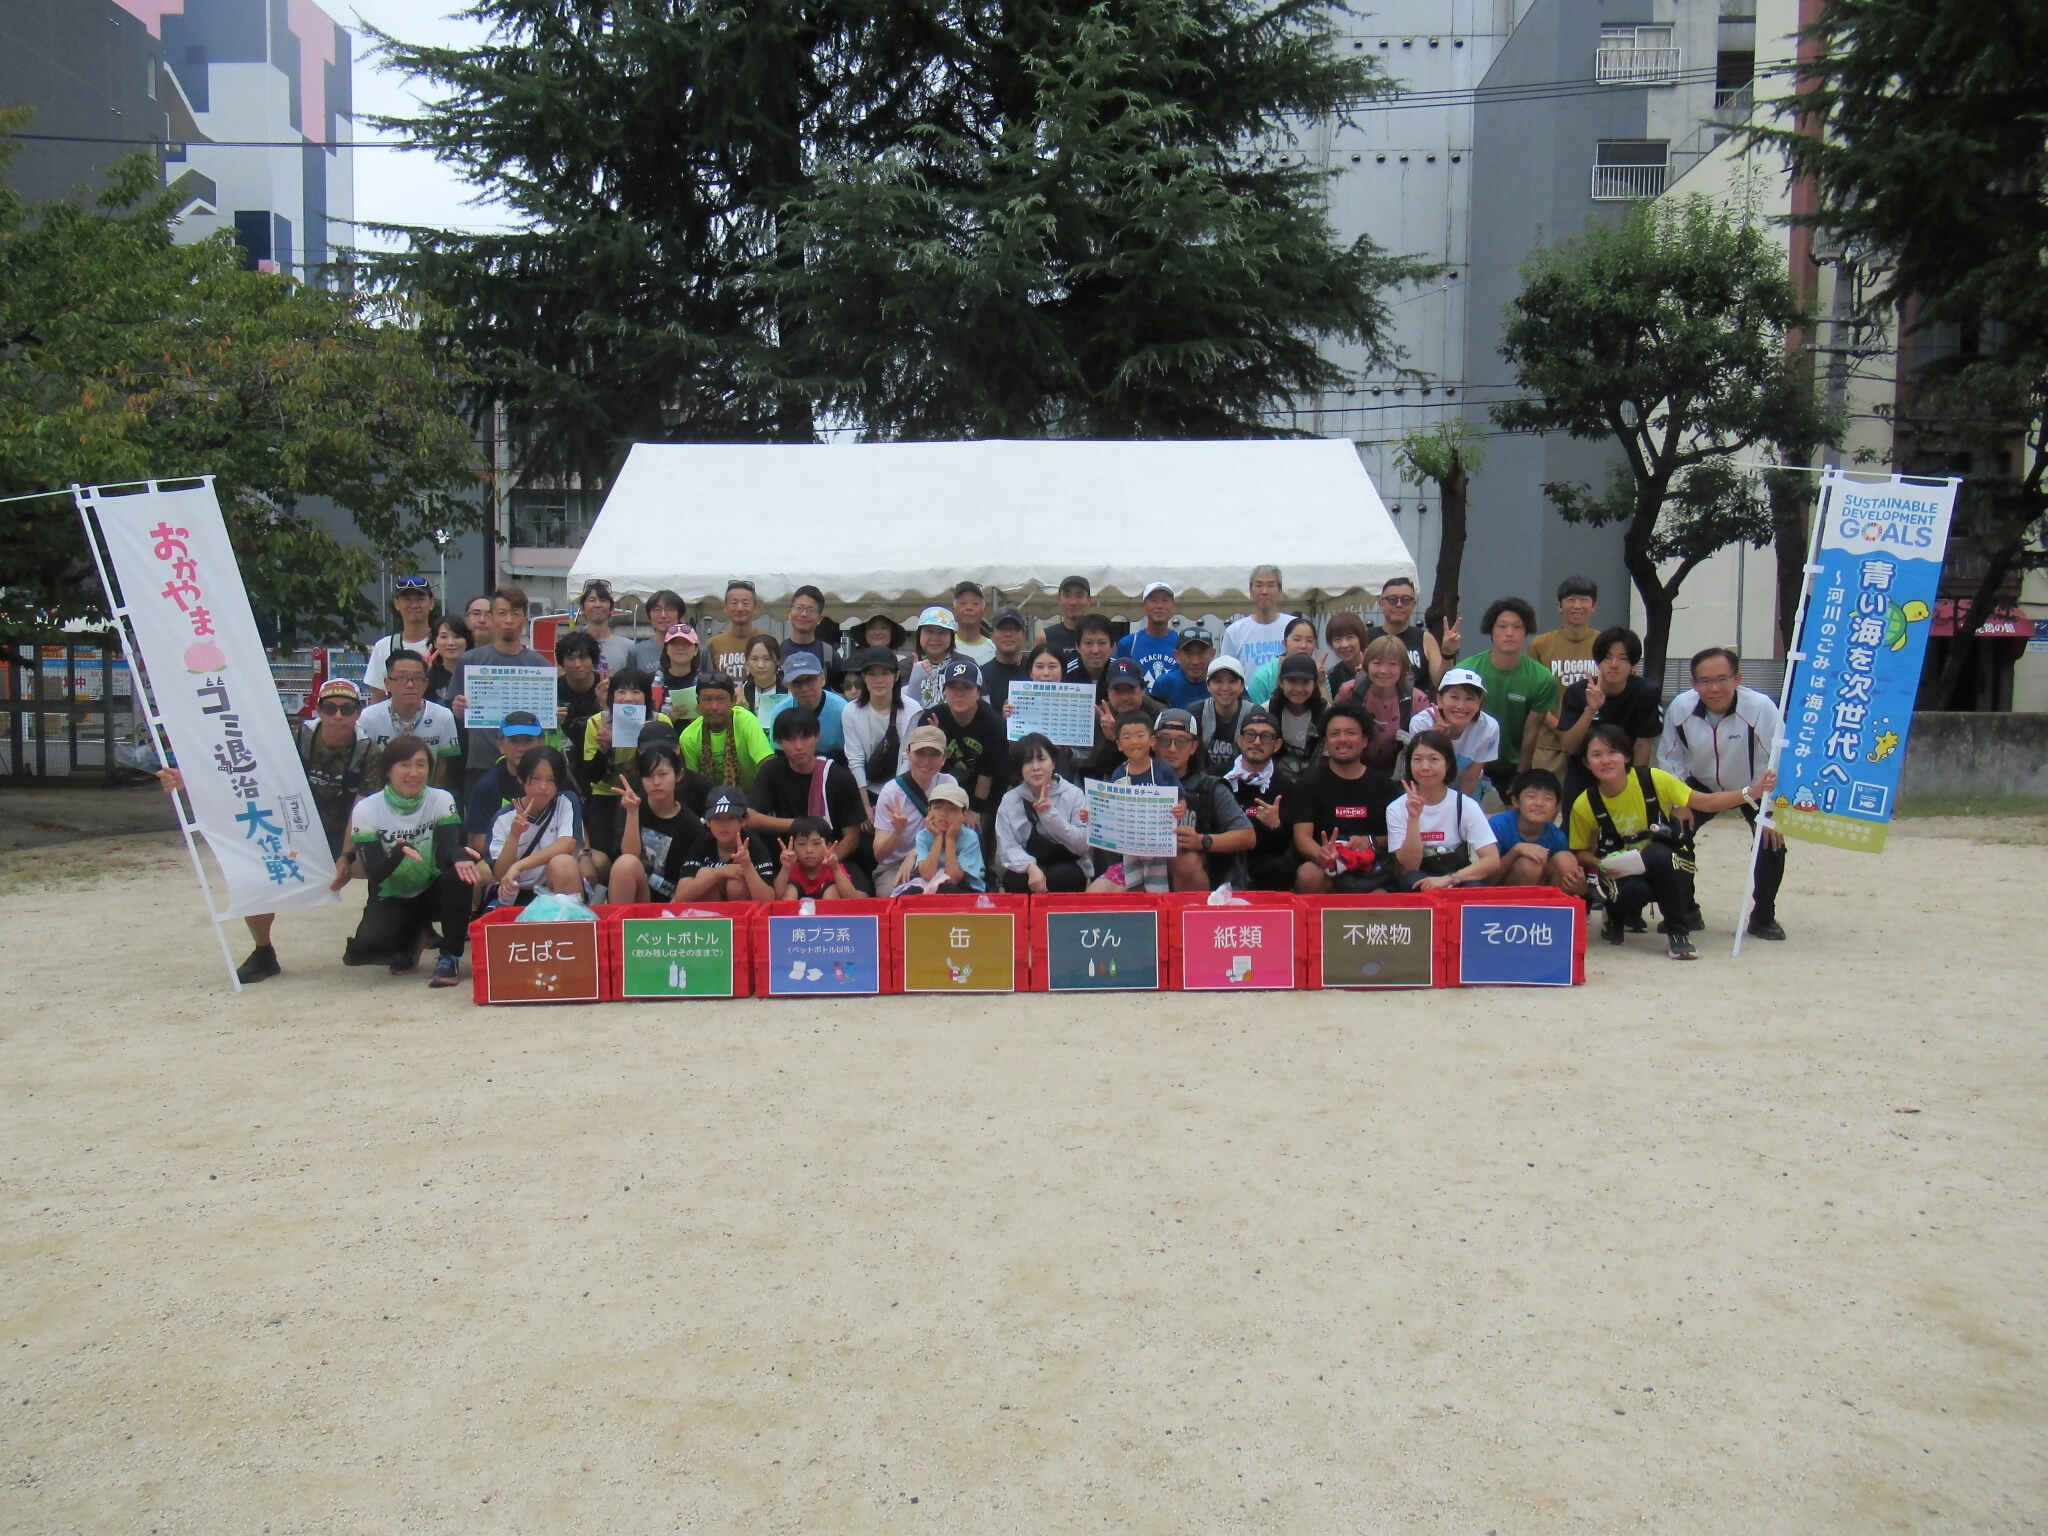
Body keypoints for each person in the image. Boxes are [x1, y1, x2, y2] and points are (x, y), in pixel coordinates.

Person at [153, 676, 381, 984]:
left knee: (387, 865)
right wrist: (187, 779)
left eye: (347, 708)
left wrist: (344, 856)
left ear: (358, 712)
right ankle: (263, 951)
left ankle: (397, 927)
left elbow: (361, 810)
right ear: (318, 710)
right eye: (330, 707)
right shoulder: (291, 740)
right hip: (293, 832)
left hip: (343, 833)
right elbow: (242, 767)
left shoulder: (370, 753)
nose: (338, 715)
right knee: (256, 872)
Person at [1570, 723, 1774, 960]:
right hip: (1623, 871)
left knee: (1659, 856)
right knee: (1633, 891)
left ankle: (1678, 933)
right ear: (1586, 762)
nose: (1606, 760)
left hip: (1669, 860)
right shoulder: (1584, 804)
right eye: (1596, 755)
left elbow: (1706, 803)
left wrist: (1752, 792)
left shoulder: (1653, 779)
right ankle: (1614, 915)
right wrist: (1602, 863)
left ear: (1626, 756)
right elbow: (1578, 852)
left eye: (1613, 752)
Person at [1657, 646, 1790, 942]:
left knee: (1771, 841)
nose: (1714, 687)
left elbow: (1777, 757)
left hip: (1755, 785)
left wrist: (1769, 810)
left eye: (1722, 678)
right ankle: (1686, 911)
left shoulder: (1761, 707)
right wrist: (1680, 803)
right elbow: (1670, 757)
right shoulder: (1680, 708)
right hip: (1702, 784)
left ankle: (1763, 917)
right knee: (1674, 835)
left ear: (1738, 678)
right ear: (1693, 684)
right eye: (1705, 681)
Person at [340, 734, 485, 985]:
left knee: (459, 875)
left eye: (421, 764)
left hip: (431, 889)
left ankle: (449, 955)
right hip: (392, 893)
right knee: (370, 948)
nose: (414, 773)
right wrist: (397, 852)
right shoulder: (366, 809)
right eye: (404, 765)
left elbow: (446, 848)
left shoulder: (441, 799)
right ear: (388, 770)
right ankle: (411, 937)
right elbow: (375, 872)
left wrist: (458, 855)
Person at [746, 707, 871, 890]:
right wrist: (798, 825)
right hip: (787, 860)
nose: (798, 746)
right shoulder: (771, 771)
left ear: (817, 736)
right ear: (779, 742)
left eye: (805, 737)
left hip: (834, 859)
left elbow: (851, 838)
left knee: (861, 896)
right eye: (790, 739)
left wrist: (825, 863)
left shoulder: (839, 777)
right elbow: (750, 817)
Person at [448, 584, 554, 798]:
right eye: (502, 613)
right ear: (492, 618)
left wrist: (555, 716)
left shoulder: (542, 666)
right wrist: (457, 710)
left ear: (525, 620)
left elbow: (546, 724)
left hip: (528, 767)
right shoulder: (469, 661)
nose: (508, 620)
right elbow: (453, 715)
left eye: (516, 614)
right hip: (481, 763)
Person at [1285, 701, 1401, 894]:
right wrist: (1323, 855)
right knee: (1308, 874)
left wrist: (1370, 841)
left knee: (1381, 897)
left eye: (1351, 733)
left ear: (1365, 740)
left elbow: (1396, 836)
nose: (1342, 739)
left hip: (1371, 870)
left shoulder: (1385, 787)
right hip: (1326, 868)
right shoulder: (1308, 784)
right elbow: (1302, 837)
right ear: (1326, 742)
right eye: (1335, 734)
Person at [1552, 625, 1662, 809]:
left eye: (1623, 658)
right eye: (1608, 657)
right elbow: (1568, 747)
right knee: (1575, 830)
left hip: (1624, 773)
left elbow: (1642, 745)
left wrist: (1634, 784)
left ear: (1632, 664)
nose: (1614, 664)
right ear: (1598, 660)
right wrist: (1591, 709)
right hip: (1583, 772)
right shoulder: (1578, 692)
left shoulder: (1646, 692)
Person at [1151, 708, 1255, 892]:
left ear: (1194, 747)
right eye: (1164, 739)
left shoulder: (1210, 787)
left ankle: (1189, 917)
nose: (1172, 748)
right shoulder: (1133, 780)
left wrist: (1203, 841)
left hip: (1196, 877)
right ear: (1153, 743)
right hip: (1141, 867)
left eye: (1181, 741)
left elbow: (1247, 836)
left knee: (1186, 861)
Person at [1466, 597, 1559, 800]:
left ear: (1526, 632)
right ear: (1490, 631)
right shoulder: (1468, 670)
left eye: (1517, 627)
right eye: (1502, 626)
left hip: (1513, 766)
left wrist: (1521, 774)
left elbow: (1531, 731)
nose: (1509, 633)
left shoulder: (1541, 678)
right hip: (1468, 761)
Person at [1386, 728, 1501, 891]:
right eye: (1417, 759)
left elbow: (1492, 860)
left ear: (1447, 763)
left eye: (1434, 759)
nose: (1425, 767)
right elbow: (1410, 865)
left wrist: (1450, 879)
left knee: (1475, 890)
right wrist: (1413, 819)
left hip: (1456, 877)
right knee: (1414, 881)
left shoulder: (1465, 805)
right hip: (1419, 882)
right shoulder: (1396, 808)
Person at [603, 743, 707, 903]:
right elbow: (629, 855)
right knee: (625, 864)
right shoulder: (632, 805)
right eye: (649, 776)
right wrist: (632, 813)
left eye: (663, 774)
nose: (656, 782)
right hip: (637, 891)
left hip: (671, 900)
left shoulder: (691, 825)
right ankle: (620, 925)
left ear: (678, 775)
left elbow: (689, 879)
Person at [486, 744, 588, 907]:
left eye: (551, 779)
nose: (543, 786)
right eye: (536, 778)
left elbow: (567, 844)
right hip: (519, 894)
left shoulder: (566, 802)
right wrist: (514, 835)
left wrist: (520, 865)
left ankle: (571, 926)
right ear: (521, 778)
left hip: (556, 888)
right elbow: (501, 874)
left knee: (563, 863)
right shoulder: (503, 818)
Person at [1092, 710, 1178, 895]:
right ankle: (1139, 903)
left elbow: (1181, 800)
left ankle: (1157, 905)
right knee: (1134, 881)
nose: (1134, 741)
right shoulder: (1119, 773)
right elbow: (1109, 807)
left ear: (1152, 741)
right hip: (1129, 840)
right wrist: (1091, 814)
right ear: (1120, 745)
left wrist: (1178, 811)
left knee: (1156, 881)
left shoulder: (1163, 770)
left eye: (1140, 735)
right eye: (1127, 737)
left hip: (1157, 839)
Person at [993, 733, 1093, 893]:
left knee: (1065, 876)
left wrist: (1049, 815)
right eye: (1027, 761)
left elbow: (1082, 846)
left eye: (1041, 759)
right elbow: (1008, 846)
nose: (1035, 767)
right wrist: (1030, 867)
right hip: (1027, 866)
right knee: (1016, 881)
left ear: (1053, 763)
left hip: (1066, 864)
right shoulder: (1010, 799)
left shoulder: (1074, 794)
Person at [576, 666, 653, 868]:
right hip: (606, 795)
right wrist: (605, 749)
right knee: (602, 856)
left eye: (636, 692)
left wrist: (647, 742)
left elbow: (664, 766)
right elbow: (593, 775)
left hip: (646, 796)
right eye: (621, 691)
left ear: (647, 696)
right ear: (611, 696)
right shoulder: (597, 723)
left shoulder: (659, 722)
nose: (628, 698)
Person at [871, 724, 960, 895]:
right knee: (896, 900)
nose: (926, 762)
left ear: (944, 758)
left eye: (934, 755)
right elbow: (880, 855)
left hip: (939, 860)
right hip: (895, 865)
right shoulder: (891, 791)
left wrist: (915, 854)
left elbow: (954, 833)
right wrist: (897, 832)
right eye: (920, 753)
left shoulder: (949, 784)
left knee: (951, 896)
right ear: (908, 753)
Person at [1527, 575, 1602, 774]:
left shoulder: (1605, 643)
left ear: (1593, 606)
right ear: (1559, 606)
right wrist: (1561, 729)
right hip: (1549, 745)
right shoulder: (1540, 645)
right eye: (1570, 599)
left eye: (1584, 599)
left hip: (1597, 743)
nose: (1577, 605)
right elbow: (1533, 694)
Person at [358, 649, 463, 786]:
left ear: (425, 683)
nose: (410, 685)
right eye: (402, 678)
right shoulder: (369, 717)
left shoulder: (443, 716)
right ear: (387, 684)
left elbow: (442, 769)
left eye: (417, 678)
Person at [1220, 705, 1297, 891]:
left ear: (1277, 745)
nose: (1256, 742)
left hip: (1261, 862)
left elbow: (1284, 845)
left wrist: (1276, 826)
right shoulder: (1216, 778)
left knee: (1282, 867)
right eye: (1250, 735)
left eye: (1265, 737)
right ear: (1239, 740)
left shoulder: (1285, 787)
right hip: (1221, 855)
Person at [913, 658, 1003, 814]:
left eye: (967, 687)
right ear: (945, 691)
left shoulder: (993, 723)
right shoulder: (931, 717)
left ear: (978, 693)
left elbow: (987, 773)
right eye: (953, 687)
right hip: (936, 793)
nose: (959, 694)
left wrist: (975, 810)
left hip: (980, 796)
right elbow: (921, 764)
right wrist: (934, 741)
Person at [1336, 634, 1430, 773]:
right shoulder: (1350, 692)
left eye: (1392, 664)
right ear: (1366, 665)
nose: (1383, 670)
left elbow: (1426, 747)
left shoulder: (1418, 700)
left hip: (1400, 774)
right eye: (1377, 663)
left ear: (1403, 669)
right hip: (1352, 769)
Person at [843, 647, 922, 809]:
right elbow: (855, 759)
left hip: (903, 787)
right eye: (872, 674)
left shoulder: (912, 710)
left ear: (896, 676)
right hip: (867, 789)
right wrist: (864, 807)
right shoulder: (851, 711)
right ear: (863, 677)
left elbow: (908, 758)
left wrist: (893, 802)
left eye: (885, 673)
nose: (878, 680)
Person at [672, 786, 778, 902]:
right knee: (704, 873)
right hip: (711, 912)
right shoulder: (702, 843)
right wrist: (719, 872)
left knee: (736, 884)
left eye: (731, 818)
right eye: (717, 818)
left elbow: (768, 899)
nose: (724, 825)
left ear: (744, 820)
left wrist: (748, 866)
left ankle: (738, 918)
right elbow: (680, 896)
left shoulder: (753, 845)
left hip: (744, 912)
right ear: (708, 821)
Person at [1406, 669, 1499, 798]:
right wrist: (1433, 739)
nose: (1461, 706)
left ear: (1479, 703)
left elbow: (1471, 777)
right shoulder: (1421, 723)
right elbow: (1422, 772)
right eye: (1454, 697)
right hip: (1427, 785)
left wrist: (1459, 808)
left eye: (1470, 698)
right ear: (1440, 699)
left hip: (1466, 786)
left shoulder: (1489, 728)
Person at [464, 710, 544, 858]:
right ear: (500, 745)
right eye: (513, 740)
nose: (521, 748)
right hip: (502, 858)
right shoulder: (486, 786)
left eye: (528, 740)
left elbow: (576, 827)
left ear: (541, 742)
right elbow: (479, 839)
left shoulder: (557, 778)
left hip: (550, 856)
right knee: (483, 873)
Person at [1488, 769, 1584, 893]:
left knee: (1566, 859)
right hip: (1501, 891)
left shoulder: (1557, 836)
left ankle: (1551, 906)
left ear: (1556, 807)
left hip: (1540, 890)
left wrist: (1580, 886)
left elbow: (1576, 886)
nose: (1539, 803)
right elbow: (1487, 879)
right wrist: (1516, 850)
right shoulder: (1498, 825)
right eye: (1531, 796)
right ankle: (1517, 909)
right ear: (1516, 801)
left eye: (1548, 798)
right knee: (1529, 865)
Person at [677, 671, 773, 790]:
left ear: (733, 700)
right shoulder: (688, 736)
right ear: (698, 703)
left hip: (750, 797)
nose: (714, 707)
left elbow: (768, 765)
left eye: (721, 699)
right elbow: (691, 783)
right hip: (708, 802)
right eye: (707, 700)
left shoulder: (746, 721)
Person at [1002, 645, 1081, 783]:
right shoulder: (1017, 701)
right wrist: (1006, 721)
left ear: (1062, 670)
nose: (1046, 673)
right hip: (1025, 779)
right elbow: (1012, 751)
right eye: (1039, 666)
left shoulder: (1077, 703)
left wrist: (1066, 751)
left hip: (1064, 780)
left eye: (1052, 666)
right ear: (1030, 672)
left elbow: (1088, 755)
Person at [1365, 575, 1456, 691]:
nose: (1399, 604)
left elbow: (1441, 682)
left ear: (1414, 605)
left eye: (1406, 600)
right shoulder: (1366, 637)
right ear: (1381, 604)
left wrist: (1448, 653)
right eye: (1392, 599)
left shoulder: (1425, 638)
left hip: (1415, 707)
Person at [1080, 658, 1164, 780]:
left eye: (1130, 689)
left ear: (1142, 690)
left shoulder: (1159, 715)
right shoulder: (1097, 716)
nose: (1125, 697)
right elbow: (1096, 768)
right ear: (1108, 692)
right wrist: (1109, 739)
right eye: (1117, 690)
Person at [362, 574, 437, 701]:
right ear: (397, 604)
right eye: (407, 599)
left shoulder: (444, 644)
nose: (414, 605)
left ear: (431, 603)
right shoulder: (384, 646)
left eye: (420, 599)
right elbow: (378, 697)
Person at [902, 781, 985, 894]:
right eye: (937, 808)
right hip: (931, 883)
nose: (943, 814)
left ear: (964, 815)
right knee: (910, 893)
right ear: (929, 811)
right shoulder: (923, 836)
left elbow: (954, 878)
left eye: (952, 809)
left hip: (967, 888)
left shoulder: (970, 837)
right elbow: (927, 875)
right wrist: (938, 836)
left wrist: (950, 839)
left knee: (948, 891)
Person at [1222, 565, 1295, 673]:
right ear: (1250, 591)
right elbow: (1225, 672)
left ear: (1280, 591)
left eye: (1270, 585)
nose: (1264, 591)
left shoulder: (1294, 626)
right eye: (1259, 585)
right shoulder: (1234, 631)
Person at [1268, 652, 1326, 786]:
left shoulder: (1326, 713)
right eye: (1292, 681)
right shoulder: (1267, 711)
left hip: (1316, 784)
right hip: (1275, 783)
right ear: (1281, 682)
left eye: (1306, 682)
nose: (1298, 689)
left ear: (1315, 683)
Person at [780, 651, 848, 761]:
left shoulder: (843, 710)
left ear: (823, 679)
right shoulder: (780, 712)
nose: (804, 689)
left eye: (810, 680)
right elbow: (779, 758)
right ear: (788, 685)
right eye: (796, 682)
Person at [1115, 581, 1181, 688]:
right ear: (1144, 605)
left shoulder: (1182, 643)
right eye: (1154, 600)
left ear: (1173, 605)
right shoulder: (1129, 644)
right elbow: (1118, 682)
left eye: (1165, 600)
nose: (1160, 606)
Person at [1246, 616, 1323, 705]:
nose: (1303, 646)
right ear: (1285, 643)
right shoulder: (1263, 676)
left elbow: (1327, 713)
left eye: (1309, 641)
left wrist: (1322, 682)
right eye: (1297, 639)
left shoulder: (1319, 673)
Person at [1194, 654, 1249, 776]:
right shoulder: (1196, 713)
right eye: (1218, 681)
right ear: (1208, 685)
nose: (1225, 688)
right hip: (1204, 782)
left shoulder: (1254, 714)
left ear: (1242, 685)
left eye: (1232, 681)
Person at [555, 631, 606, 751]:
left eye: (583, 657)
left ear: (594, 660)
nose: (577, 664)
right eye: (570, 658)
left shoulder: (608, 687)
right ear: (561, 662)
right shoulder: (553, 689)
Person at [572, 578, 637, 675]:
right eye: (592, 600)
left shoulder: (630, 647)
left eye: (603, 600)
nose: (597, 605)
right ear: (582, 608)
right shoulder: (571, 646)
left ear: (612, 608)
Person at [902, 606, 960, 711]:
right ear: (919, 634)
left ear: (951, 636)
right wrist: (915, 680)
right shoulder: (904, 666)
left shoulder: (964, 664)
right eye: (929, 631)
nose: (935, 638)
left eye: (942, 632)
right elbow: (903, 709)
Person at [1147, 626, 1217, 711]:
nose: (1195, 662)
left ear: (1212, 654)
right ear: (1177, 656)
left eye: (1201, 653)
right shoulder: (1164, 684)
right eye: (1188, 654)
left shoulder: (1220, 685)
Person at [706, 579, 763, 681]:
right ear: (726, 607)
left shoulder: (769, 641)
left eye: (745, 603)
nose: (740, 608)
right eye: (734, 603)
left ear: (755, 608)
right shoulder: (713, 644)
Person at [781, 585, 836, 682]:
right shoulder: (777, 651)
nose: (804, 614)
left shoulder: (829, 655)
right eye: (799, 608)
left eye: (811, 610)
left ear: (819, 619)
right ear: (789, 613)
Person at [979, 611, 1031, 712]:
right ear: (992, 636)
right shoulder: (982, 674)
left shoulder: (1035, 670)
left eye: (1015, 629)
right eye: (1002, 629)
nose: (1008, 634)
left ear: (1024, 636)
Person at [650, 623, 701, 722]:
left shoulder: (705, 682)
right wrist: (667, 720)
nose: (680, 647)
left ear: (696, 650)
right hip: (660, 736)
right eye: (674, 643)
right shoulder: (650, 680)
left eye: (687, 643)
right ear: (666, 649)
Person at [629, 589, 689, 673]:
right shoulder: (636, 651)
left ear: (681, 615)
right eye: (657, 609)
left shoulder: (698, 650)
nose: (663, 615)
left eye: (670, 609)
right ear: (649, 615)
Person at [1062, 614, 1118, 698]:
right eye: (1088, 643)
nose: (1095, 650)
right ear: (1077, 646)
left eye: (1102, 643)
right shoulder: (1065, 674)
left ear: (1112, 646)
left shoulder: (1121, 673)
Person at [740, 633, 789, 726]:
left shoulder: (789, 691)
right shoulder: (740, 693)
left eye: (767, 659)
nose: (760, 665)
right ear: (746, 662)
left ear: (778, 660)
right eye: (754, 659)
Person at [424, 615, 471, 711]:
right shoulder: (429, 676)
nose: (451, 642)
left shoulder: (477, 674)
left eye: (457, 636)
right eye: (444, 637)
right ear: (435, 643)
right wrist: (422, 673)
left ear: (467, 642)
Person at [1040, 575, 1095, 657]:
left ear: (1089, 600)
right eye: (1067, 595)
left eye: (1079, 596)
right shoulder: (1045, 637)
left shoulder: (1099, 636)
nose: (1073, 602)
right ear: (1059, 599)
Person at [1323, 611, 1372, 696]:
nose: (1344, 645)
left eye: (1350, 637)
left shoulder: (1376, 667)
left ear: (1360, 638)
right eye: (1337, 639)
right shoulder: (1332, 676)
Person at [950, 582, 997, 664]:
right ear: (954, 611)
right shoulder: (945, 646)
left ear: (984, 611)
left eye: (975, 603)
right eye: (963, 603)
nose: (969, 608)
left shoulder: (994, 649)